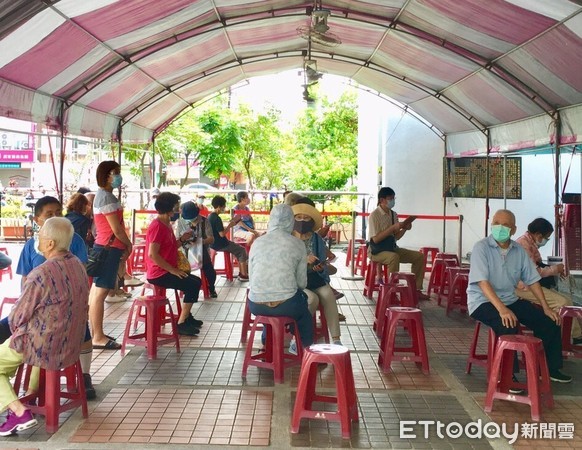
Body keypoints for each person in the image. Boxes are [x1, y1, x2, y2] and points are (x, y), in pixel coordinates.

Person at [0, 196, 96, 400]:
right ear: (37, 220)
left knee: (25, 332)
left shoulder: (42, 272)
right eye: (48, 214)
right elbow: (25, 284)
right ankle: (32, 392)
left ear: (50, 243)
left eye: (57, 213)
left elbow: (18, 317)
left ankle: (18, 408)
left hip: (48, 332)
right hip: (53, 326)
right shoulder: (76, 265)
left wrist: (22, 317)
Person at [468, 209, 571, 384]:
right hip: (482, 301)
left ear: (513, 229)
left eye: (505, 224)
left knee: (550, 321)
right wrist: (502, 309)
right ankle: (507, 374)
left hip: (510, 299)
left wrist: (546, 308)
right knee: (507, 322)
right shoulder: (481, 247)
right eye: (496, 222)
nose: (499, 227)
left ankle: (547, 368)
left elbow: (532, 280)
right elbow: (482, 282)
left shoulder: (519, 250)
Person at [248, 204, 314, 349]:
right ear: (291, 221)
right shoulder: (297, 244)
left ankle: (268, 343)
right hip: (287, 305)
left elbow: (251, 278)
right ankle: (305, 350)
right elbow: (301, 283)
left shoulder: (257, 243)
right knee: (304, 314)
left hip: (256, 305)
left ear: (270, 220)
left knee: (270, 309)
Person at [515, 217, 582, 344]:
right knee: (562, 302)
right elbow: (534, 272)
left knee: (568, 300)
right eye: (547, 237)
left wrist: (556, 270)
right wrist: (554, 269)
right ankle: (571, 336)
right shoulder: (523, 245)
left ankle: (576, 334)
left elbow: (538, 264)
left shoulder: (530, 243)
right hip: (522, 287)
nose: (546, 240)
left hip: (529, 284)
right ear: (538, 235)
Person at [89, 161, 133, 349]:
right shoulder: (105, 197)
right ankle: (97, 336)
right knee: (100, 292)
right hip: (108, 249)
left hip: (106, 248)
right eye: (115, 173)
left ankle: (97, 332)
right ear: (105, 175)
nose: (118, 177)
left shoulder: (105, 195)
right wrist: (128, 244)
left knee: (97, 292)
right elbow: (116, 228)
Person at [146, 192, 203, 336]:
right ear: (169, 208)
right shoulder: (157, 226)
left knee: (195, 280)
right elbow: (153, 254)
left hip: (166, 270)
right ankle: (181, 323)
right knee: (192, 284)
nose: (179, 210)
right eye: (177, 207)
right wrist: (172, 270)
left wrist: (183, 239)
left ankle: (187, 316)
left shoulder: (167, 225)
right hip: (159, 273)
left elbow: (170, 247)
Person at [291, 201, 342, 347]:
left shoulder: (316, 239)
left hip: (314, 278)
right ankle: (298, 338)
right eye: (298, 217)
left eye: (305, 218)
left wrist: (321, 267)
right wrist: (304, 260)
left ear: (311, 221)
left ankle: (336, 339)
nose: (301, 221)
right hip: (296, 280)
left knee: (328, 295)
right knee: (311, 299)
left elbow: (324, 260)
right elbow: (286, 264)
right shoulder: (288, 238)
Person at [367, 187, 427, 299]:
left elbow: (396, 237)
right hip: (376, 251)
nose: (392, 201)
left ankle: (416, 290)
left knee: (419, 257)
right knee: (394, 257)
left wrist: (405, 228)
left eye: (393, 198)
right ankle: (391, 291)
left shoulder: (394, 214)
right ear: (382, 200)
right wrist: (392, 228)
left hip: (391, 247)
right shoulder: (374, 215)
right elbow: (375, 240)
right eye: (390, 198)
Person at [175, 201, 218, 298]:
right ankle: (185, 288)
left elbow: (211, 239)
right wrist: (185, 239)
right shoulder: (181, 223)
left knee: (209, 270)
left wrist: (199, 242)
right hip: (185, 251)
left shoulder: (205, 221)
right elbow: (177, 239)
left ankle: (211, 288)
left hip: (201, 252)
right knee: (182, 269)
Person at [208, 195, 249, 281]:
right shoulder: (217, 218)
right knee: (241, 250)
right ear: (219, 207)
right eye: (224, 206)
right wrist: (230, 225)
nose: (224, 208)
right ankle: (243, 275)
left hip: (212, 244)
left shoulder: (210, 216)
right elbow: (222, 234)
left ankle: (242, 272)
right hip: (221, 244)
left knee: (237, 249)